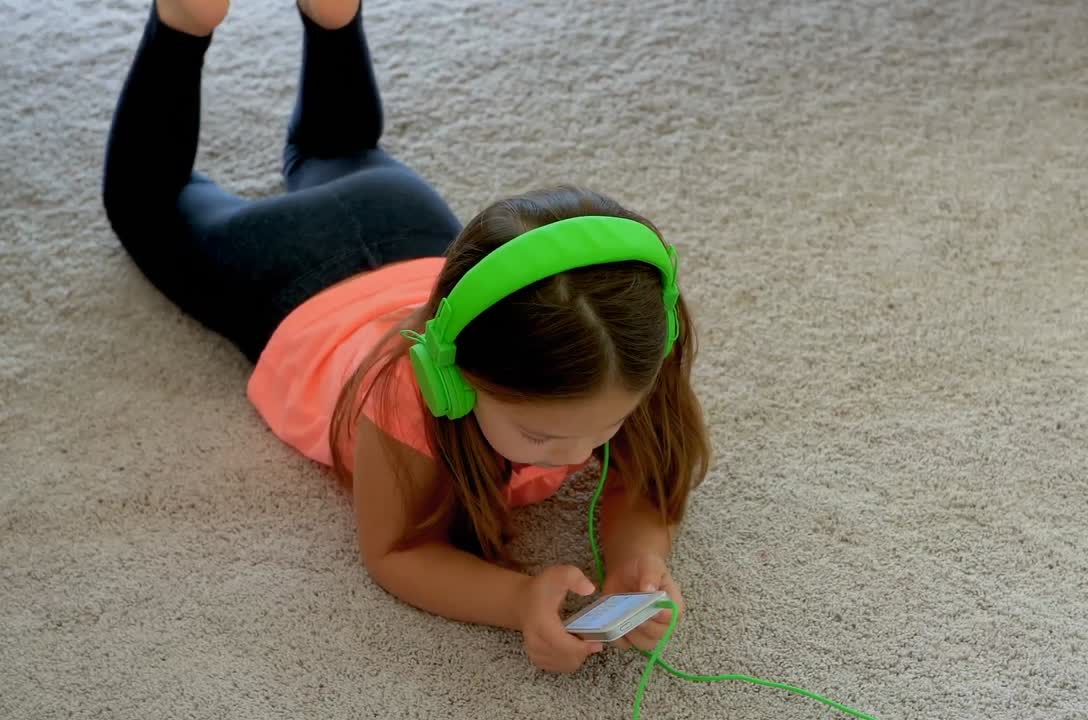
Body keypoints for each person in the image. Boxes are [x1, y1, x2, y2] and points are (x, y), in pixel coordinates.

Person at [101, 0, 711, 674]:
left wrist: (636, 556)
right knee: (151, 204)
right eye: (541, 436)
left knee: (340, 151)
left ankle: (334, 19)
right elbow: (396, 552)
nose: (582, 450)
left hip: (401, 220)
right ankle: (182, 24)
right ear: (455, 379)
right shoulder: (409, 394)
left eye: (610, 424)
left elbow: (647, 481)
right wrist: (515, 600)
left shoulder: (620, 347)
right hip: (289, 267)